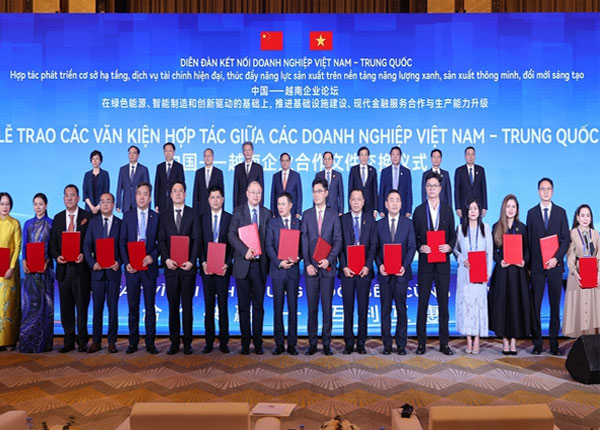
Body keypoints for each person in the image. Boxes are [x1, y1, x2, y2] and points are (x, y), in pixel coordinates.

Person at [412, 172, 456, 355]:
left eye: (435, 186)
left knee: (443, 305)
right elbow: (414, 237)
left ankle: (444, 344)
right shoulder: (418, 211)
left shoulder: (447, 210)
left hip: (443, 264)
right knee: (422, 303)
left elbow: (453, 236)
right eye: (429, 185)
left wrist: (449, 246)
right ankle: (421, 344)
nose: (432, 189)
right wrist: (420, 247)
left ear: (440, 188)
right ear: (425, 188)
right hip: (425, 264)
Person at [526, 178, 569, 355]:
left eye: (548, 189)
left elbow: (565, 239)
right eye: (542, 189)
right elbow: (529, 241)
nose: (545, 192)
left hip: (555, 266)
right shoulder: (531, 213)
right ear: (538, 191)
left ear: (553, 191)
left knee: (554, 307)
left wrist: (556, 258)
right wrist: (528, 266)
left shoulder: (561, 212)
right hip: (536, 267)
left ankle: (553, 344)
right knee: (535, 306)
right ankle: (537, 343)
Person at [228, 181, 271, 355]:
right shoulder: (239, 211)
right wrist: (244, 250)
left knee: (259, 307)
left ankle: (258, 343)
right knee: (244, 307)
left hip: (260, 266)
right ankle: (245, 343)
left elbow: (270, 239)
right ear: (247, 193)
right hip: (243, 265)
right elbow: (231, 234)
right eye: (253, 192)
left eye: (259, 192)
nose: (256, 195)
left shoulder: (267, 213)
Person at [158, 181, 200, 355]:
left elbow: (197, 240)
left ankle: (188, 342)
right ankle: (174, 342)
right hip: (171, 269)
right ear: (170, 194)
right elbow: (161, 240)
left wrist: (192, 261)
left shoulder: (193, 213)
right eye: (174, 191)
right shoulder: (164, 215)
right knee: (173, 306)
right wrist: (166, 259)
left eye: (180, 191)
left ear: (185, 194)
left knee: (187, 306)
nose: (177, 194)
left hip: (187, 268)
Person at [301, 178, 342, 355]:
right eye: (314, 191)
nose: (316, 194)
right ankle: (312, 343)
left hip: (327, 269)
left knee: (326, 307)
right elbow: (303, 241)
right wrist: (307, 264)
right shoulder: (307, 214)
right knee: (312, 308)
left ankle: (326, 343)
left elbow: (338, 240)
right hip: (311, 269)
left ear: (326, 193)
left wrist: (329, 260)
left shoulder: (334, 215)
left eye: (319, 191)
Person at [49, 185, 92, 353]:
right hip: (64, 269)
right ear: (63, 199)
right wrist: (57, 256)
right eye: (66, 195)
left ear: (78, 198)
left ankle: (82, 341)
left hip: (81, 269)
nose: (69, 198)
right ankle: (68, 340)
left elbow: (91, 242)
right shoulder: (58, 218)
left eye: (72, 195)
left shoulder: (87, 217)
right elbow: (53, 243)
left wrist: (84, 255)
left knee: (81, 306)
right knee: (66, 307)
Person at [489, 194, 533, 355]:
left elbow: (528, 249)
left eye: (513, 206)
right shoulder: (496, 226)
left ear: (517, 209)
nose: (511, 209)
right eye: (508, 206)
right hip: (503, 271)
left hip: (517, 273)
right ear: (503, 208)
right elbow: (492, 250)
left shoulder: (522, 227)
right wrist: (499, 261)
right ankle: (505, 341)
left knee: (515, 305)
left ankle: (513, 340)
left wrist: (524, 261)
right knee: (503, 305)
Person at [120, 182, 159, 354]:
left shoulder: (156, 217)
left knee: (150, 308)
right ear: (135, 196)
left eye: (145, 194)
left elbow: (161, 242)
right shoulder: (127, 216)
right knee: (133, 307)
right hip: (132, 269)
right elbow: (122, 241)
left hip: (148, 267)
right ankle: (133, 342)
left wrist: (153, 256)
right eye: (139, 194)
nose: (142, 197)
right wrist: (126, 262)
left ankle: (150, 343)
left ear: (150, 198)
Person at [375, 190, 416, 355]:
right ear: (386, 204)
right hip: (385, 275)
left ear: (401, 204)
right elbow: (375, 248)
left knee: (401, 310)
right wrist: (380, 265)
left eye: (397, 200)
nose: (394, 203)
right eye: (391, 200)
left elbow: (412, 247)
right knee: (385, 310)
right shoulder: (379, 224)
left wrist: (404, 265)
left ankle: (401, 345)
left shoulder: (408, 223)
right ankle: (386, 345)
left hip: (401, 274)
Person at [453, 198, 493, 354]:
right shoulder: (460, 229)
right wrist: (463, 260)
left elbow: (489, 253)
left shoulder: (486, 228)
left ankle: (477, 339)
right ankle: (468, 339)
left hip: (480, 273)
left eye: (475, 208)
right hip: (465, 273)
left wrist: (487, 273)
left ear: (480, 211)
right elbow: (455, 250)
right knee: (466, 307)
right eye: (470, 209)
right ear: (466, 212)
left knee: (478, 307)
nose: (473, 211)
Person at [339, 189, 377, 354]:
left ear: (363, 201)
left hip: (364, 272)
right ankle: (348, 343)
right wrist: (344, 266)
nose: (356, 202)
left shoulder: (370, 219)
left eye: (359, 199)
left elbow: (373, 245)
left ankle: (361, 343)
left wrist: (367, 266)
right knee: (347, 309)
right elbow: (338, 245)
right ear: (349, 201)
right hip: (347, 271)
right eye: (353, 199)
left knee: (363, 308)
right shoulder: (343, 219)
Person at [83, 193, 122, 353]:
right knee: (97, 309)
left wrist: (119, 262)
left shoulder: (120, 223)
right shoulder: (93, 223)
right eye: (102, 202)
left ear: (113, 204)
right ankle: (96, 341)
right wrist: (93, 263)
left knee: (113, 309)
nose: (105, 204)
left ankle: (112, 342)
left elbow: (123, 247)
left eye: (108, 201)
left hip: (113, 273)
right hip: (97, 274)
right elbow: (86, 246)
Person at [266, 192, 301, 355]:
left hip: (293, 271)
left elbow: (303, 245)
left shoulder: (298, 223)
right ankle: (279, 344)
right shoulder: (272, 223)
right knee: (277, 308)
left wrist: (298, 257)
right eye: (278, 204)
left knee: (293, 308)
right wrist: (279, 262)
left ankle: (292, 344)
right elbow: (269, 245)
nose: (280, 207)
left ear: (290, 205)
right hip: (278, 272)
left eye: (283, 204)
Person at [199, 185, 233, 354]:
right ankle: (209, 341)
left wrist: (227, 263)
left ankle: (224, 342)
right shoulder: (202, 218)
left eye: (218, 197)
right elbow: (199, 243)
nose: (215, 200)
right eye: (212, 197)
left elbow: (232, 244)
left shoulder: (229, 218)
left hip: (222, 269)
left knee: (223, 305)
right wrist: (203, 262)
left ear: (223, 199)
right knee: (209, 306)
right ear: (208, 200)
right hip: (207, 269)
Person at [19, 193, 54, 353]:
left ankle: (44, 344)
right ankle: (27, 344)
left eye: (40, 204)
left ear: (46, 205)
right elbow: (25, 245)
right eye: (35, 204)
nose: (38, 207)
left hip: (45, 270)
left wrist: (47, 261)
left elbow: (53, 246)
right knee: (30, 306)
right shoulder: (27, 224)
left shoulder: (51, 223)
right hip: (30, 270)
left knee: (45, 306)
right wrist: (24, 261)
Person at [562, 204, 600, 337]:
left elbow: (599, 254)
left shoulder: (595, 234)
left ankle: (593, 338)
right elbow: (570, 255)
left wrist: (598, 273)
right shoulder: (572, 233)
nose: (585, 218)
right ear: (577, 217)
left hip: (594, 273)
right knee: (578, 305)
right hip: (578, 272)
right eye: (582, 215)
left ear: (591, 218)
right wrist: (574, 270)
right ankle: (578, 339)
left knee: (593, 307)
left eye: (588, 215)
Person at [0, 192, 22, 350]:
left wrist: (12, 267)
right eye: (2, 204)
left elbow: (17, 247)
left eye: (7, 204)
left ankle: (10, 340)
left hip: (9, 269)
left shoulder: (15, 223)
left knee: (9, 304)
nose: (4, 207)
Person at [378, 146, 412, 218]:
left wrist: (409, 210)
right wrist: (381, 209)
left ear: (400, 157)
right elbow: (381, 192)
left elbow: (409, 192)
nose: (395, 157)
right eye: (393, 154)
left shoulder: (406, 172)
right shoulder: (385, 172)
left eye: (397, 154)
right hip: (387, 209)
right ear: (390, 156)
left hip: (402, 209)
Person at [454, 146, 487, 219]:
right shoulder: (459, 171)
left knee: (478, 225)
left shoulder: (481, 170)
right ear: (465, 156)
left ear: (475, 156)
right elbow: (457, 190)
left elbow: (483, 189)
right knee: (464, 225)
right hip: (464, 206)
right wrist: (458, 207)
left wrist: (484, 207)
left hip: (477, 206)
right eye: (468, 154)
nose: (470, 157)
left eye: (472, 154)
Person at [116, 145, 150, 214]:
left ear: (138, 155)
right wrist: (118, 204)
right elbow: (119, 188)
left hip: (139, 203)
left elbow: (147, 188)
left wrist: (147, 204)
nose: (132, 155)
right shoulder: (123, 169)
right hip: (126, 204)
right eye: (130, 153)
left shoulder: (143, 169)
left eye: (134, 153)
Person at [154, 142, 185, 213]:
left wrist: (181, 202)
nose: (168, 153)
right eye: (166, 151)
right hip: (162, 201)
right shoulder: (159, 167)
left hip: (174, 200)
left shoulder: (179, 167)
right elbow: (157, 186)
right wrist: (156, 204)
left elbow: (182, 185)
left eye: (170, 151)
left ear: (174, 152)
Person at [193, 148, 224, 218]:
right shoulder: (198, 172)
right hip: (201, 209)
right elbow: (195, 192)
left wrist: (222, 210)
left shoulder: (218, 173)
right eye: (205, 156)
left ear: (213, 157)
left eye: (209, 156)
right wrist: (194, 210)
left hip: (214, 208)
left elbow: (222, 193)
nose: (207, 158)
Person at [270, 153, 303, 219]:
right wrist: (272, 212)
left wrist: (298, 212)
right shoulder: (275, 176)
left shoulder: (296, 175)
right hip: (278, 211)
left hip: (292, 211)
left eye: (287, 160)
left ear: (290, 162)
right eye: (283, 161)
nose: (285, 163)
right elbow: (273, 195)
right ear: (280, 162)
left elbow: (299, 195)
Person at [348, 146, 378, 218]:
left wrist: (375, 209)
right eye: (362, 155)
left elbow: (375, 190)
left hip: (370, 205)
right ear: (359, 157)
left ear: (368, 157)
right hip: (356, 204)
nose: (364, 157)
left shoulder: (373, 170)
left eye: (365, 155)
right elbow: (350, 188)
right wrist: (350, 207)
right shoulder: (353, 170)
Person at [233, 141, 264, 207]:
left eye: (249, 150)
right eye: (245, 150)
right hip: (241, 204)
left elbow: (261, 189)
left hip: (254, 203)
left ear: (252, 152)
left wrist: (260, 206)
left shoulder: (258, 168)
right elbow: (236, 189)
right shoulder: (238, 168)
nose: (247, 152)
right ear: (243, 152)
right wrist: (235, 207)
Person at [82, 150, 110, 215]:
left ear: (100, 161)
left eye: (97, 159)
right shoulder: (87, 175)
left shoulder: (105, 174)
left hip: (101, 207)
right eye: (93, 159)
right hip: (89, 208)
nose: (95, 161)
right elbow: (85, 193)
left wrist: (98, 207)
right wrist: (91, 207)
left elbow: (106, 192)